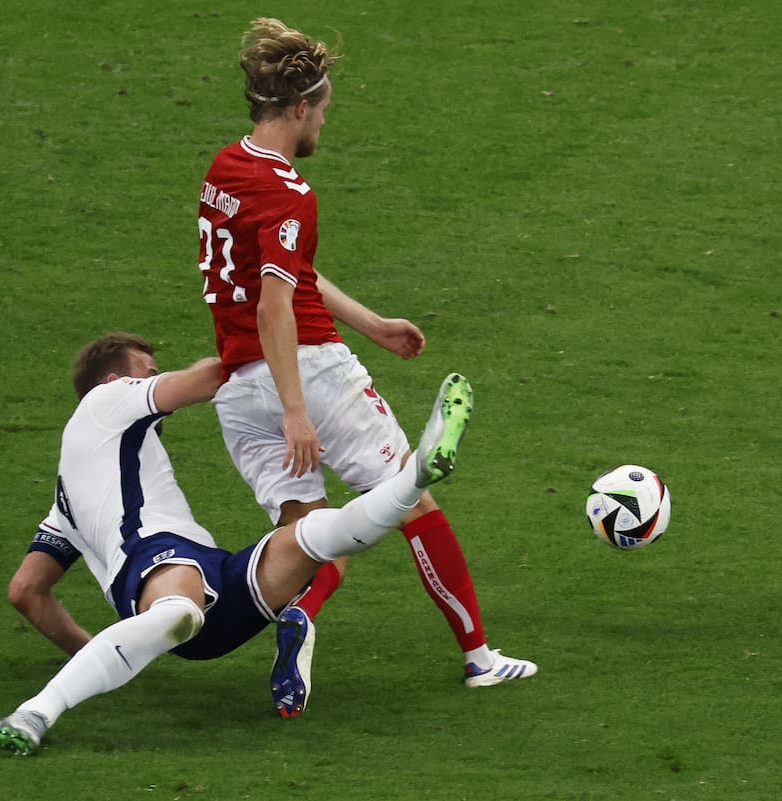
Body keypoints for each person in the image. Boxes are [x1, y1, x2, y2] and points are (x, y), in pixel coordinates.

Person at [195, 18, 537, 718]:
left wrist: (373, 324)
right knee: (413, 499)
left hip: (239, 393)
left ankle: (301, 614)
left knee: (310, 538)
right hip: (309, 376)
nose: (325, 120)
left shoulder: (225, 170)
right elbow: (275, 305)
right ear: (299, 108)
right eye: (323, 109)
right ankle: (479, 658)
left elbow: (288, 273)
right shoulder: (291, 192)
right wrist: (298, 409)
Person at [0, 332, 476, 755]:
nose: (156, 377)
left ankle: (416, 475)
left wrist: (101, 654)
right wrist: (277, 343)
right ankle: (34, 714)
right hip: (157, 561)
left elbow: (26, 591)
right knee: (180, 610)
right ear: (115, 382)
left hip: (213, 577)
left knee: (314, 536)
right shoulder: (105, 402)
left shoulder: (65, 501)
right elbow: (206, 377)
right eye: (148, 372)